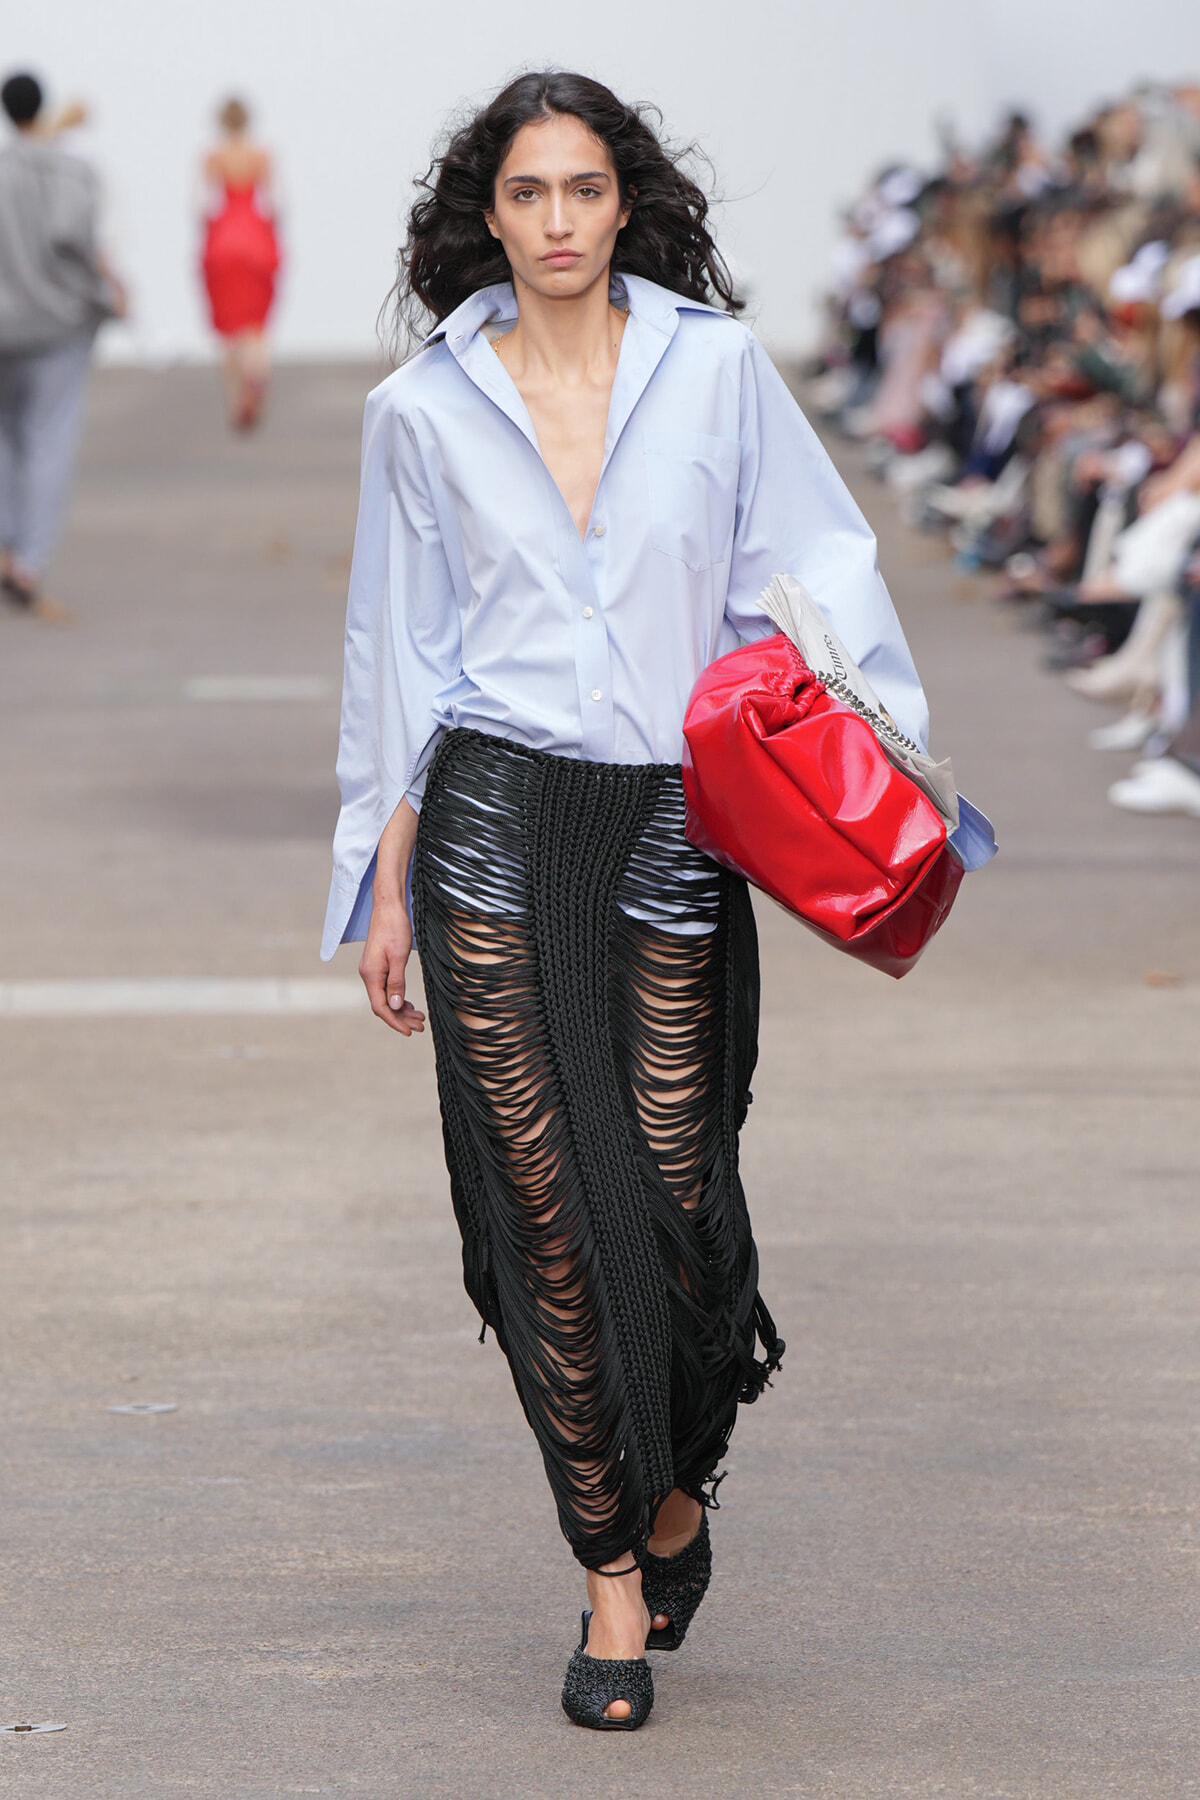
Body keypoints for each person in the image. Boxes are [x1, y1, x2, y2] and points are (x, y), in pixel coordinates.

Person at [322, 70, 931, 1730]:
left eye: (584, 189)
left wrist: (875, 752)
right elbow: (399, 652)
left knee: (678, 1202)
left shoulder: (715, 369)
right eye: (528, 193)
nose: (559, 222)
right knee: (544, 1207)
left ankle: (675, 1490)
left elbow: (815, 566)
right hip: (496, 815)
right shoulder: (421, 410)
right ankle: (606, 1572)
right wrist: (381, 875)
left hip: (674, 813)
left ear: (624, 202)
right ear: (488, 215)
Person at [0, 71, 124, 617]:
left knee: (6, 440)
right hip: (57, 328)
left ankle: (7, 548)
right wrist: (108, 295)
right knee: (47, 440)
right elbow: (76, 242)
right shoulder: (71, 171)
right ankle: (28, 562)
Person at [200, 97, 280, 431]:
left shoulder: (213, 157)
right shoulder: (261, 156)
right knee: (255, 326)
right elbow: (273, 204)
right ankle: (257, 374)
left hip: (223, 240)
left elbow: (204, 205)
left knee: (228, 329)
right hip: (256, 239)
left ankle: (236, 401)